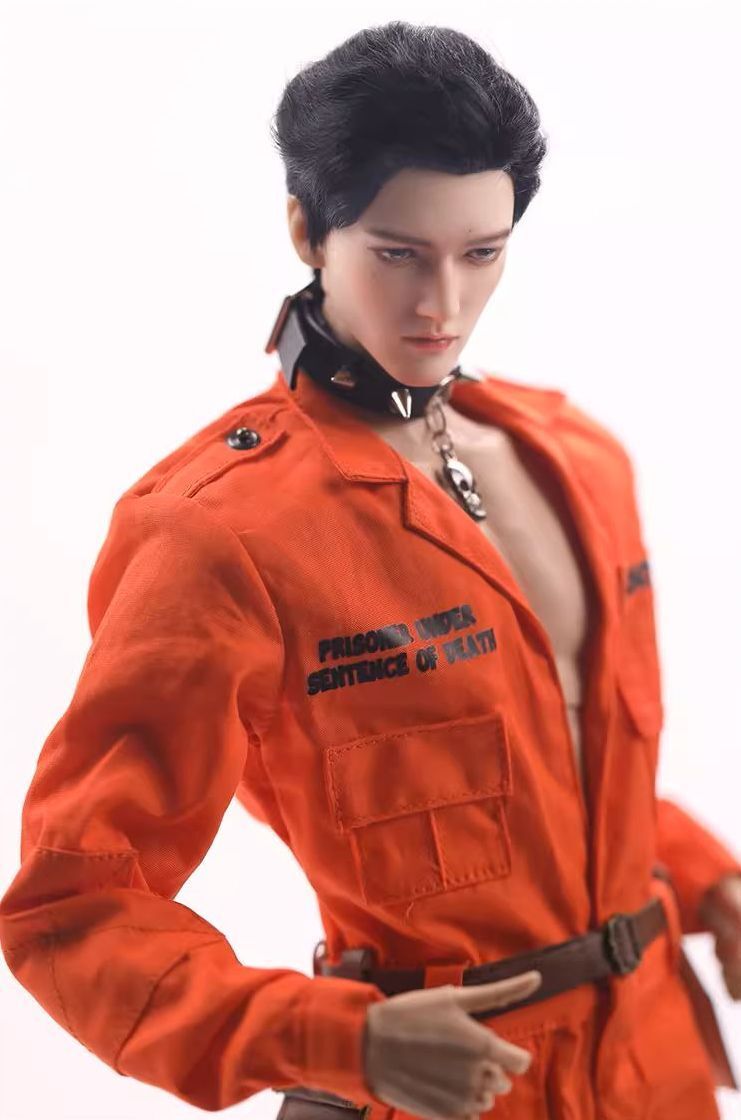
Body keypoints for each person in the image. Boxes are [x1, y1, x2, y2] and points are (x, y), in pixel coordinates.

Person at [1, 19, 739, 1120]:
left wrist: (710, 880)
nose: (442, 304)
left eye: (480, 253)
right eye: (398, 253)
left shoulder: (582, 463)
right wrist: (326, 1035)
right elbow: (71, 910)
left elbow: (564, 778)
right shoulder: (220, 533)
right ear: (307, 228)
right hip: (439, 1083)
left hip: (653, 1066)